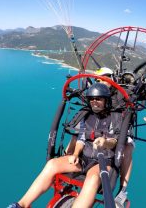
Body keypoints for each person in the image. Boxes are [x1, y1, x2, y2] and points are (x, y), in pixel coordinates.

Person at [8, 83, 122, 208]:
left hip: (103, 161)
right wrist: (75, 154)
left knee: (93, 179)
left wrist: (104, 142)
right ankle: (22, 204)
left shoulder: (114, 118)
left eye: (98, 99)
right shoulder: (86, 116)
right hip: (84, 159)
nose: (94, 102)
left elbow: (114, 142)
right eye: (92, 99)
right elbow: (81, 139)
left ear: (106, 100)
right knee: (52, 164)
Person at [94, 67, 134, 207]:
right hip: (103, 129)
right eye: (98, 80)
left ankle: (122, 190)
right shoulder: (96, 96)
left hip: (119, 129)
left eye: (105, 78)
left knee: (127, 148)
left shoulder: (124, 94)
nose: (102, 82)